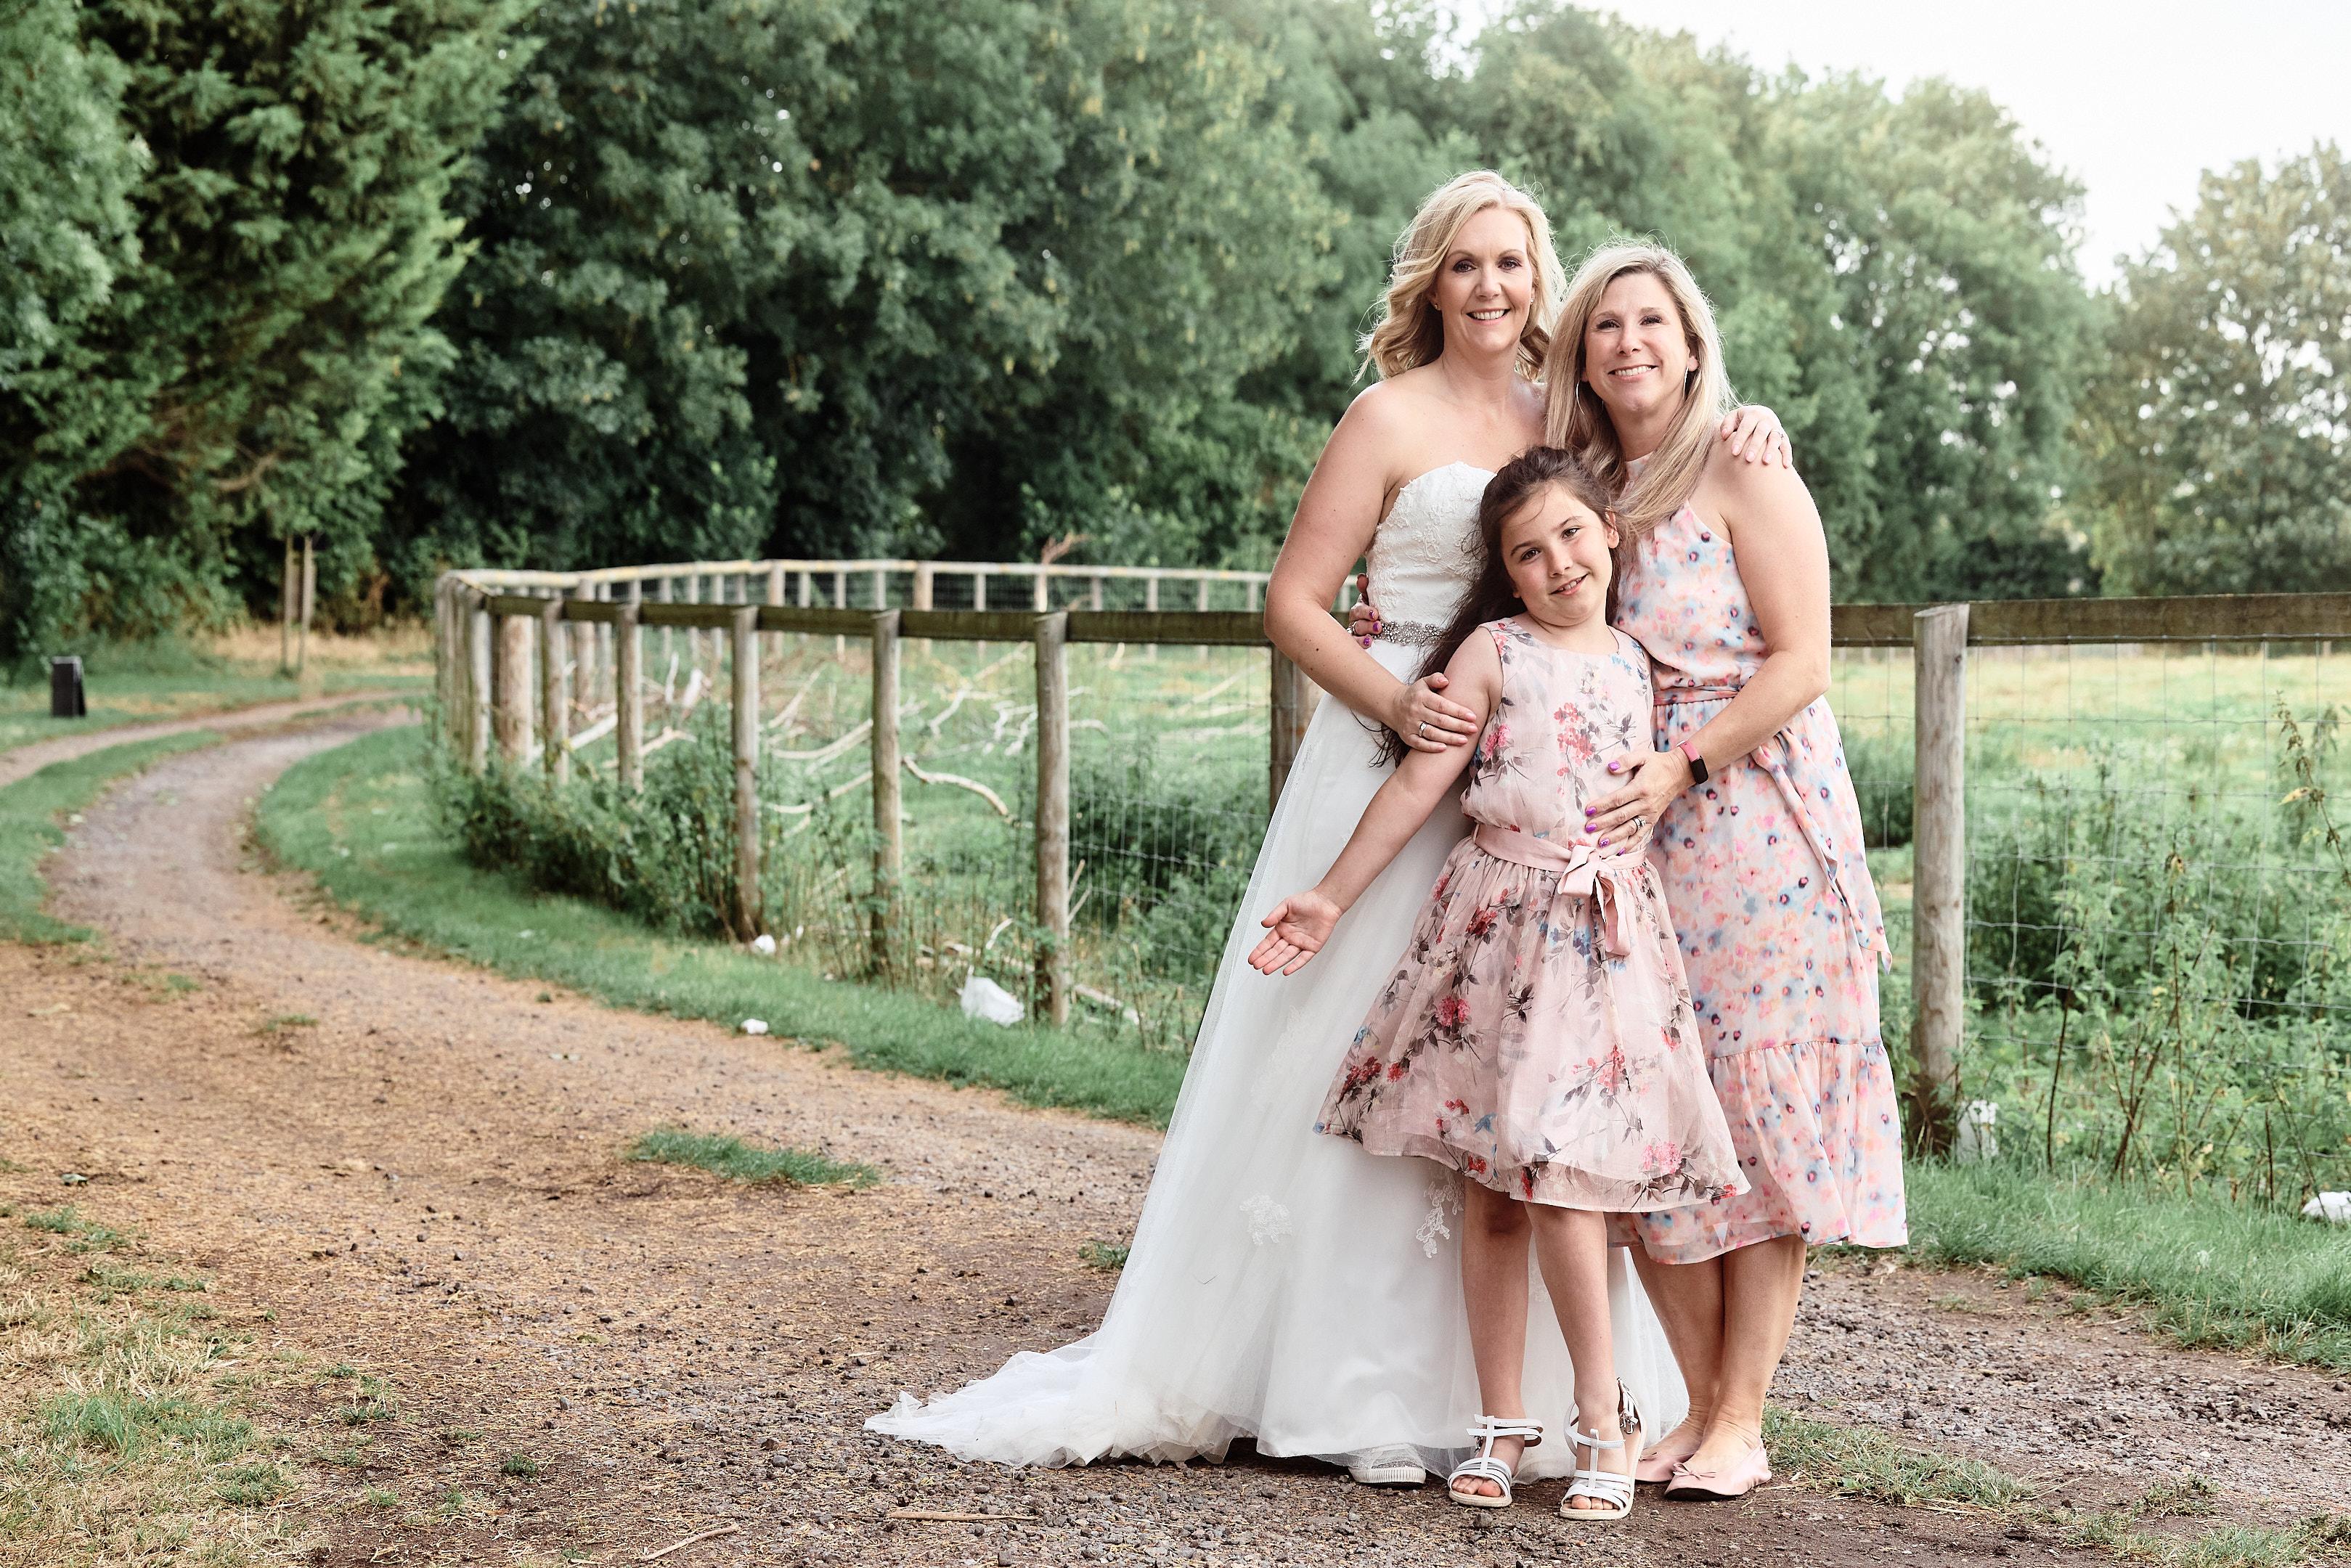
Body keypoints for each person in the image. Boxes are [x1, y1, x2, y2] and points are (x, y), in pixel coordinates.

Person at [870, 173, 1788, 1487]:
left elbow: (1649, 468)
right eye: (1464, 264)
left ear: (1541, 283)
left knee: (1519, 1068)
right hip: (1400, 738)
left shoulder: (1564, 419)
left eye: (1512, 265)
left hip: (1534, 772)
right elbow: (1294, 604)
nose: (1490, 287)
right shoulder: (1384, 416)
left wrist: (1749, 420)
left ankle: (1528, 1401)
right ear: (1431, 283)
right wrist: (1399, 704)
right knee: (1364, 1049)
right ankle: (1331, 1380)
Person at [1247, 448, 1745, 1520]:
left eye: (1572, 534)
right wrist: (1329, 898)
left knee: (1563, 1182)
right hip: (1495, 935)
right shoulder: (1493, 651)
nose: (1558, 563)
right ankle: (1502, 1418)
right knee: (1492, 1190)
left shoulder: (1640, 664)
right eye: (1528, 552)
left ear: (1610, 532)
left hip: (1602, 947)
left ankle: (1602, 1420)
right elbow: (1417, 786)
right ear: (1506, 574)